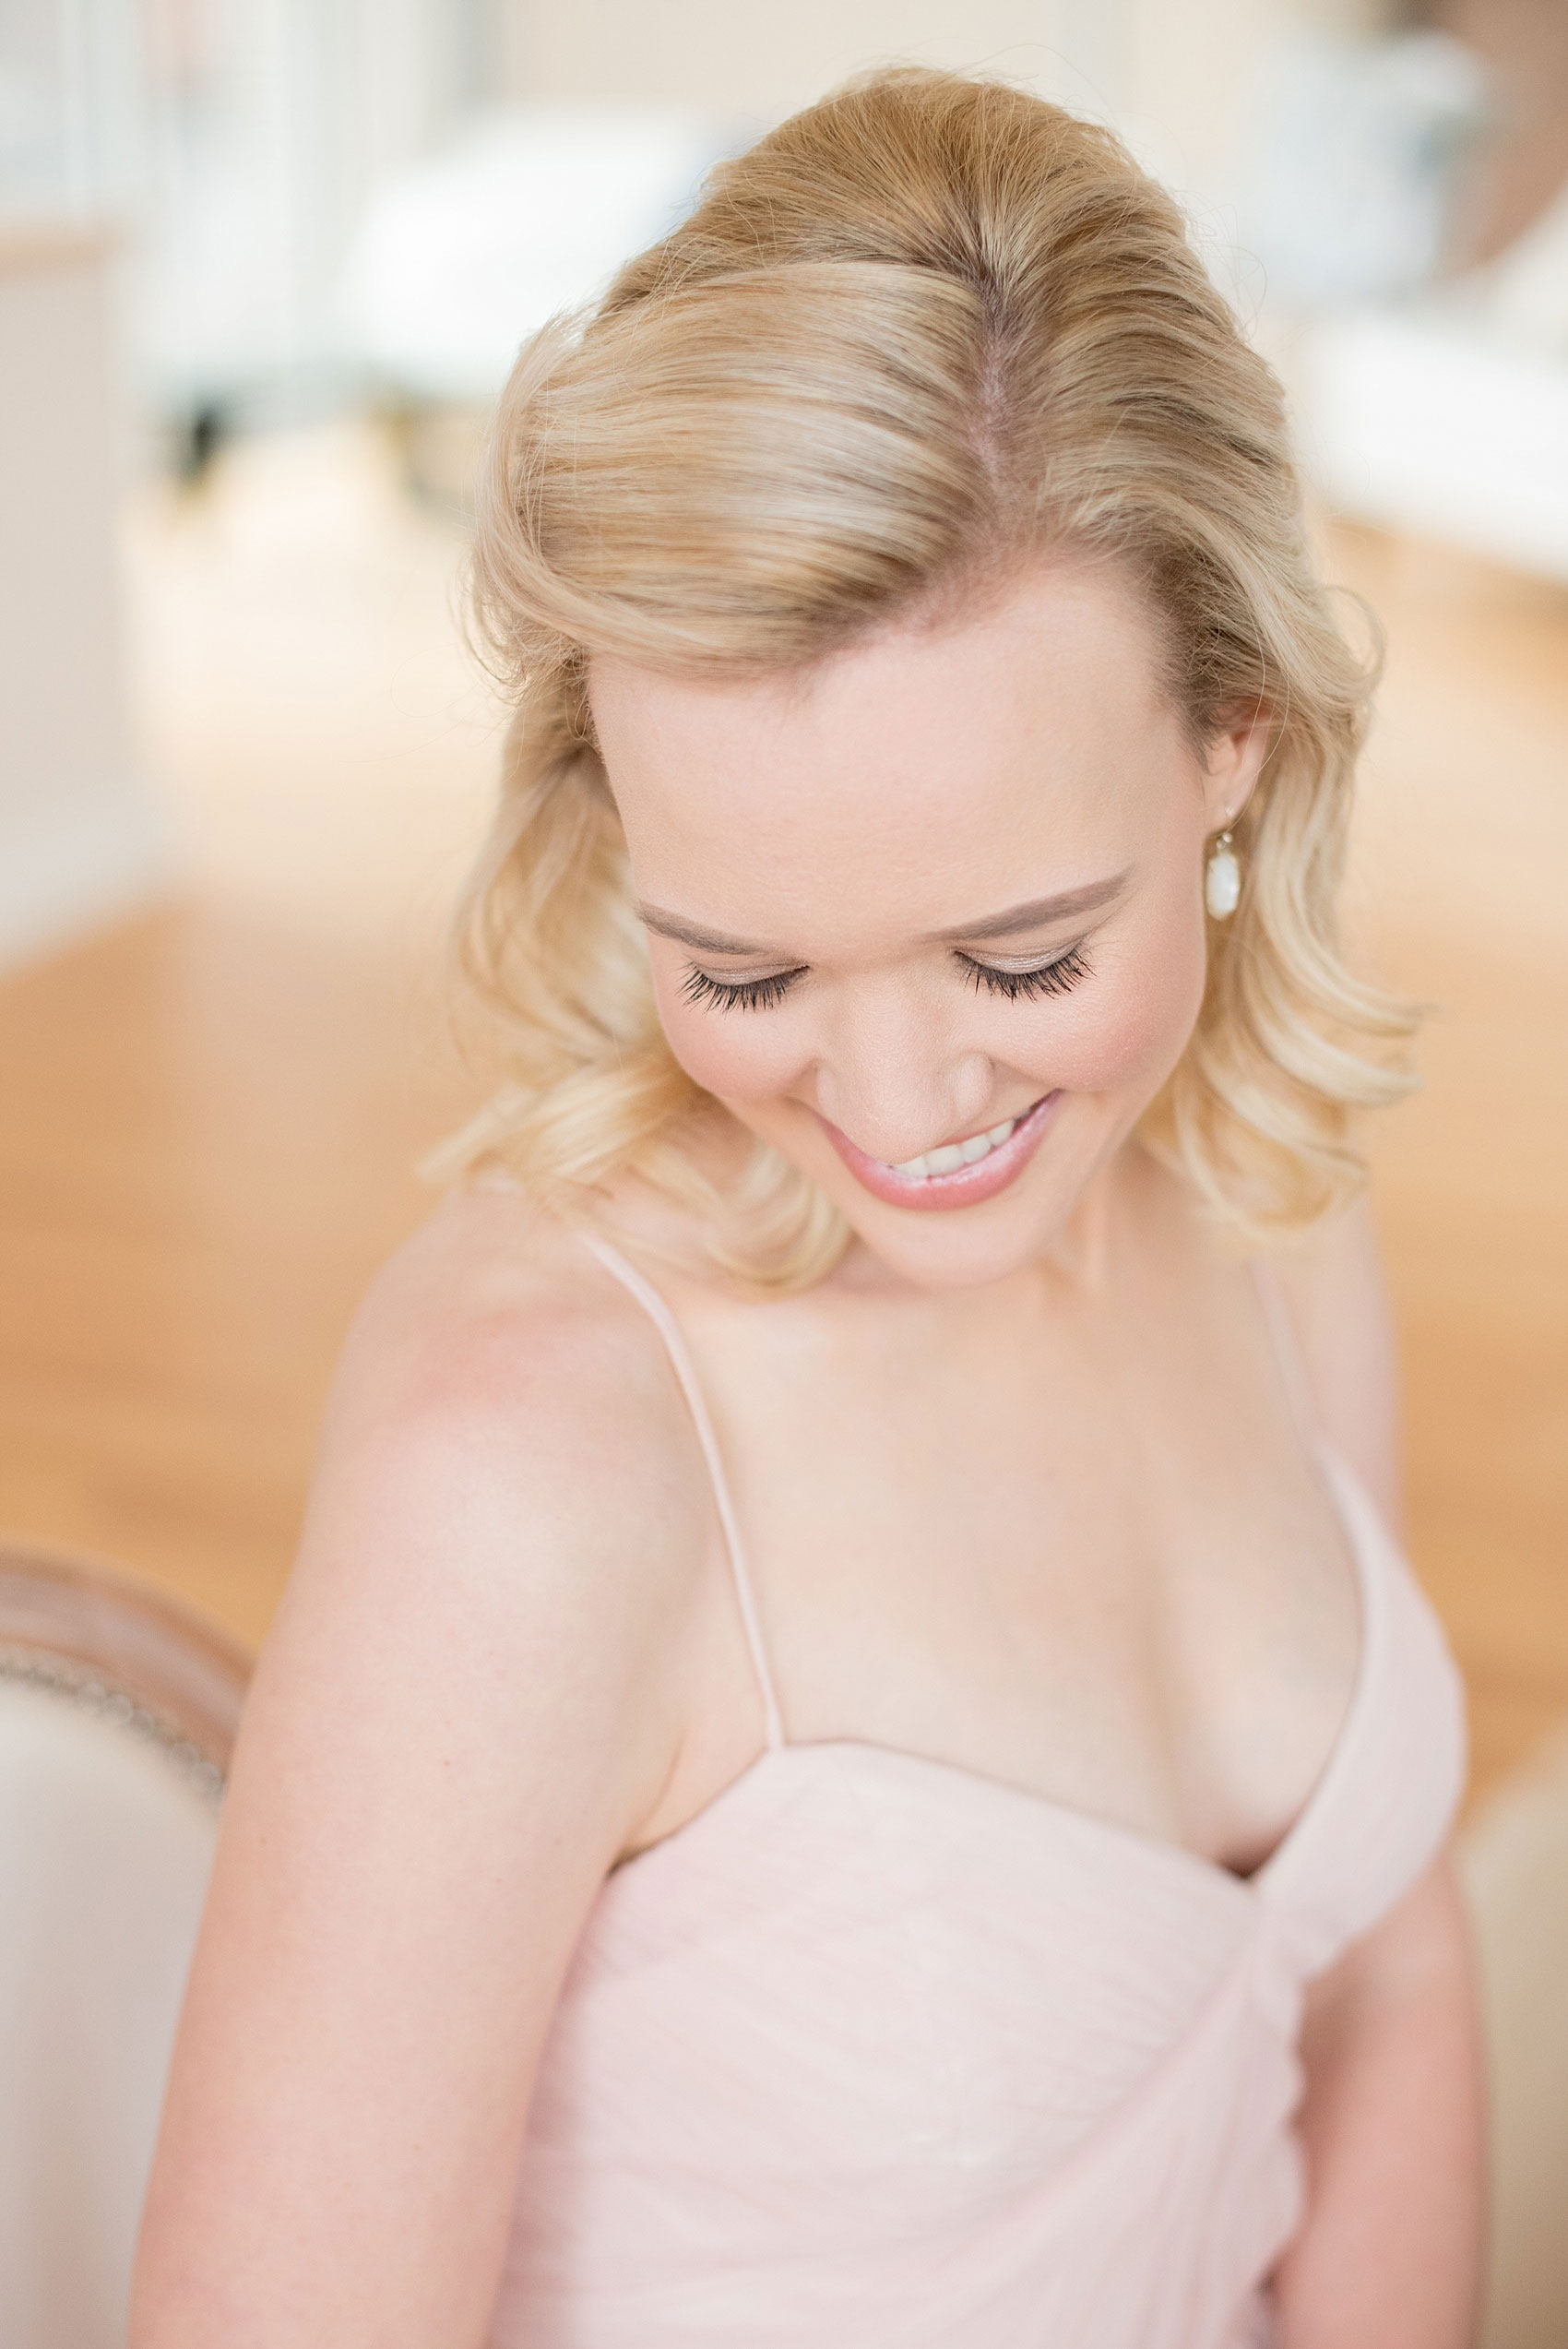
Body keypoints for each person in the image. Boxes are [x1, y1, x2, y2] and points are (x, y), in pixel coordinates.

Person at [130, 67, 1486, 2349]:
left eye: (1025, 953)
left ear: (1233, 734)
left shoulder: (1255, 1184)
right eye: (740, 967)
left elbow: (1374, 1966)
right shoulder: (536, 1459)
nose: (892, 1101)